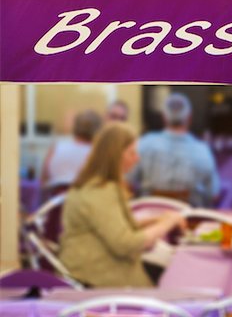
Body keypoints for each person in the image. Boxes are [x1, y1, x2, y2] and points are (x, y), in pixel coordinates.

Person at [59, 123, 186, 287]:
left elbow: (112, 228)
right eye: (131, 153)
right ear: (116, 156)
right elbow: (126, 244)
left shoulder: (97, 185)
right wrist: (168, 222)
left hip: (93, 274)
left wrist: (158, 219)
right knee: (177, 281)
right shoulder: (100, 191)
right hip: (98, 283)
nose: (137, 158)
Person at [129, 93, 220, 208]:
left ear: (164, 117)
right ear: (190, 117)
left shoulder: (144, 144)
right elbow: (214, 195)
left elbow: (127, 183)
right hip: (189, 222)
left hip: (148, 220)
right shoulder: (203, 151)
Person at [41, 109, 103, 190]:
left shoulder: (56, 148)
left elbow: (44, 179)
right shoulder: (96, 154)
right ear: (98, 130)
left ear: (76, 126)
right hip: (83, 199)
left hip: (55, 198)